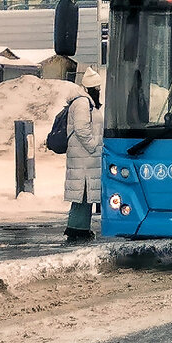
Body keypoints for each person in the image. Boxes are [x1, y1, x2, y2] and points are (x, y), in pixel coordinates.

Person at [64, 67, 104, 241]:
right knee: (82, 194)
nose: (99, 91)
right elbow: (82, 129)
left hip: (84, 159)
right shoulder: (82, 103)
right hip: (84, 159)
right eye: (98, 88)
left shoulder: (85, 102)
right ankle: (77, 229)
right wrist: (94, 145)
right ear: (92, 88)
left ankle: (80, 227)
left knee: (84, 194)